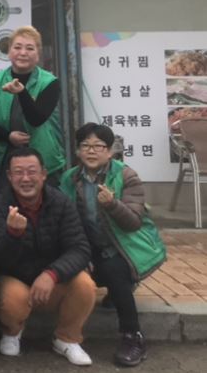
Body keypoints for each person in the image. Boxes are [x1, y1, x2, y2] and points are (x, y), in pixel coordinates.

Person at [60, 123, 166, 367]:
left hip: (124, 246)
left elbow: (133, 222)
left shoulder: (126, 176)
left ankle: (133, 336)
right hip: (88, 246)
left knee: (115, 272)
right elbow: (65, 220)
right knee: (73, 268)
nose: (91, 151)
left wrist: (112, 204)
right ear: (77, 151)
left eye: (99, 146)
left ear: (109, 151)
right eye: (85, 145)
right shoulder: (70, 178)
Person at [0, 147, 95, 366]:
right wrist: (13, 234)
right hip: (16, 278)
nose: (26, 178)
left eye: (32, 171)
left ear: (43, 174)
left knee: (85, 285)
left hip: (52, 279)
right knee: (11, 299)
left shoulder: (61, 202)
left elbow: (80, 248)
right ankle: (12, 331)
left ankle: (67, 338)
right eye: (18, 172)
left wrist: (52, 274)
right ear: (9, 176)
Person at [0, 25, 64, 192]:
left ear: (38, 54)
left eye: (30, 48)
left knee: (45, 205)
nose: (23, 53)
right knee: (4, 205)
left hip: (43, 158)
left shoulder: (50, 82)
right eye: (17, 47)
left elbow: (36, 119)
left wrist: (22, 92)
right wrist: (8, 136)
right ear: (9, 52)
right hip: (4, 157)